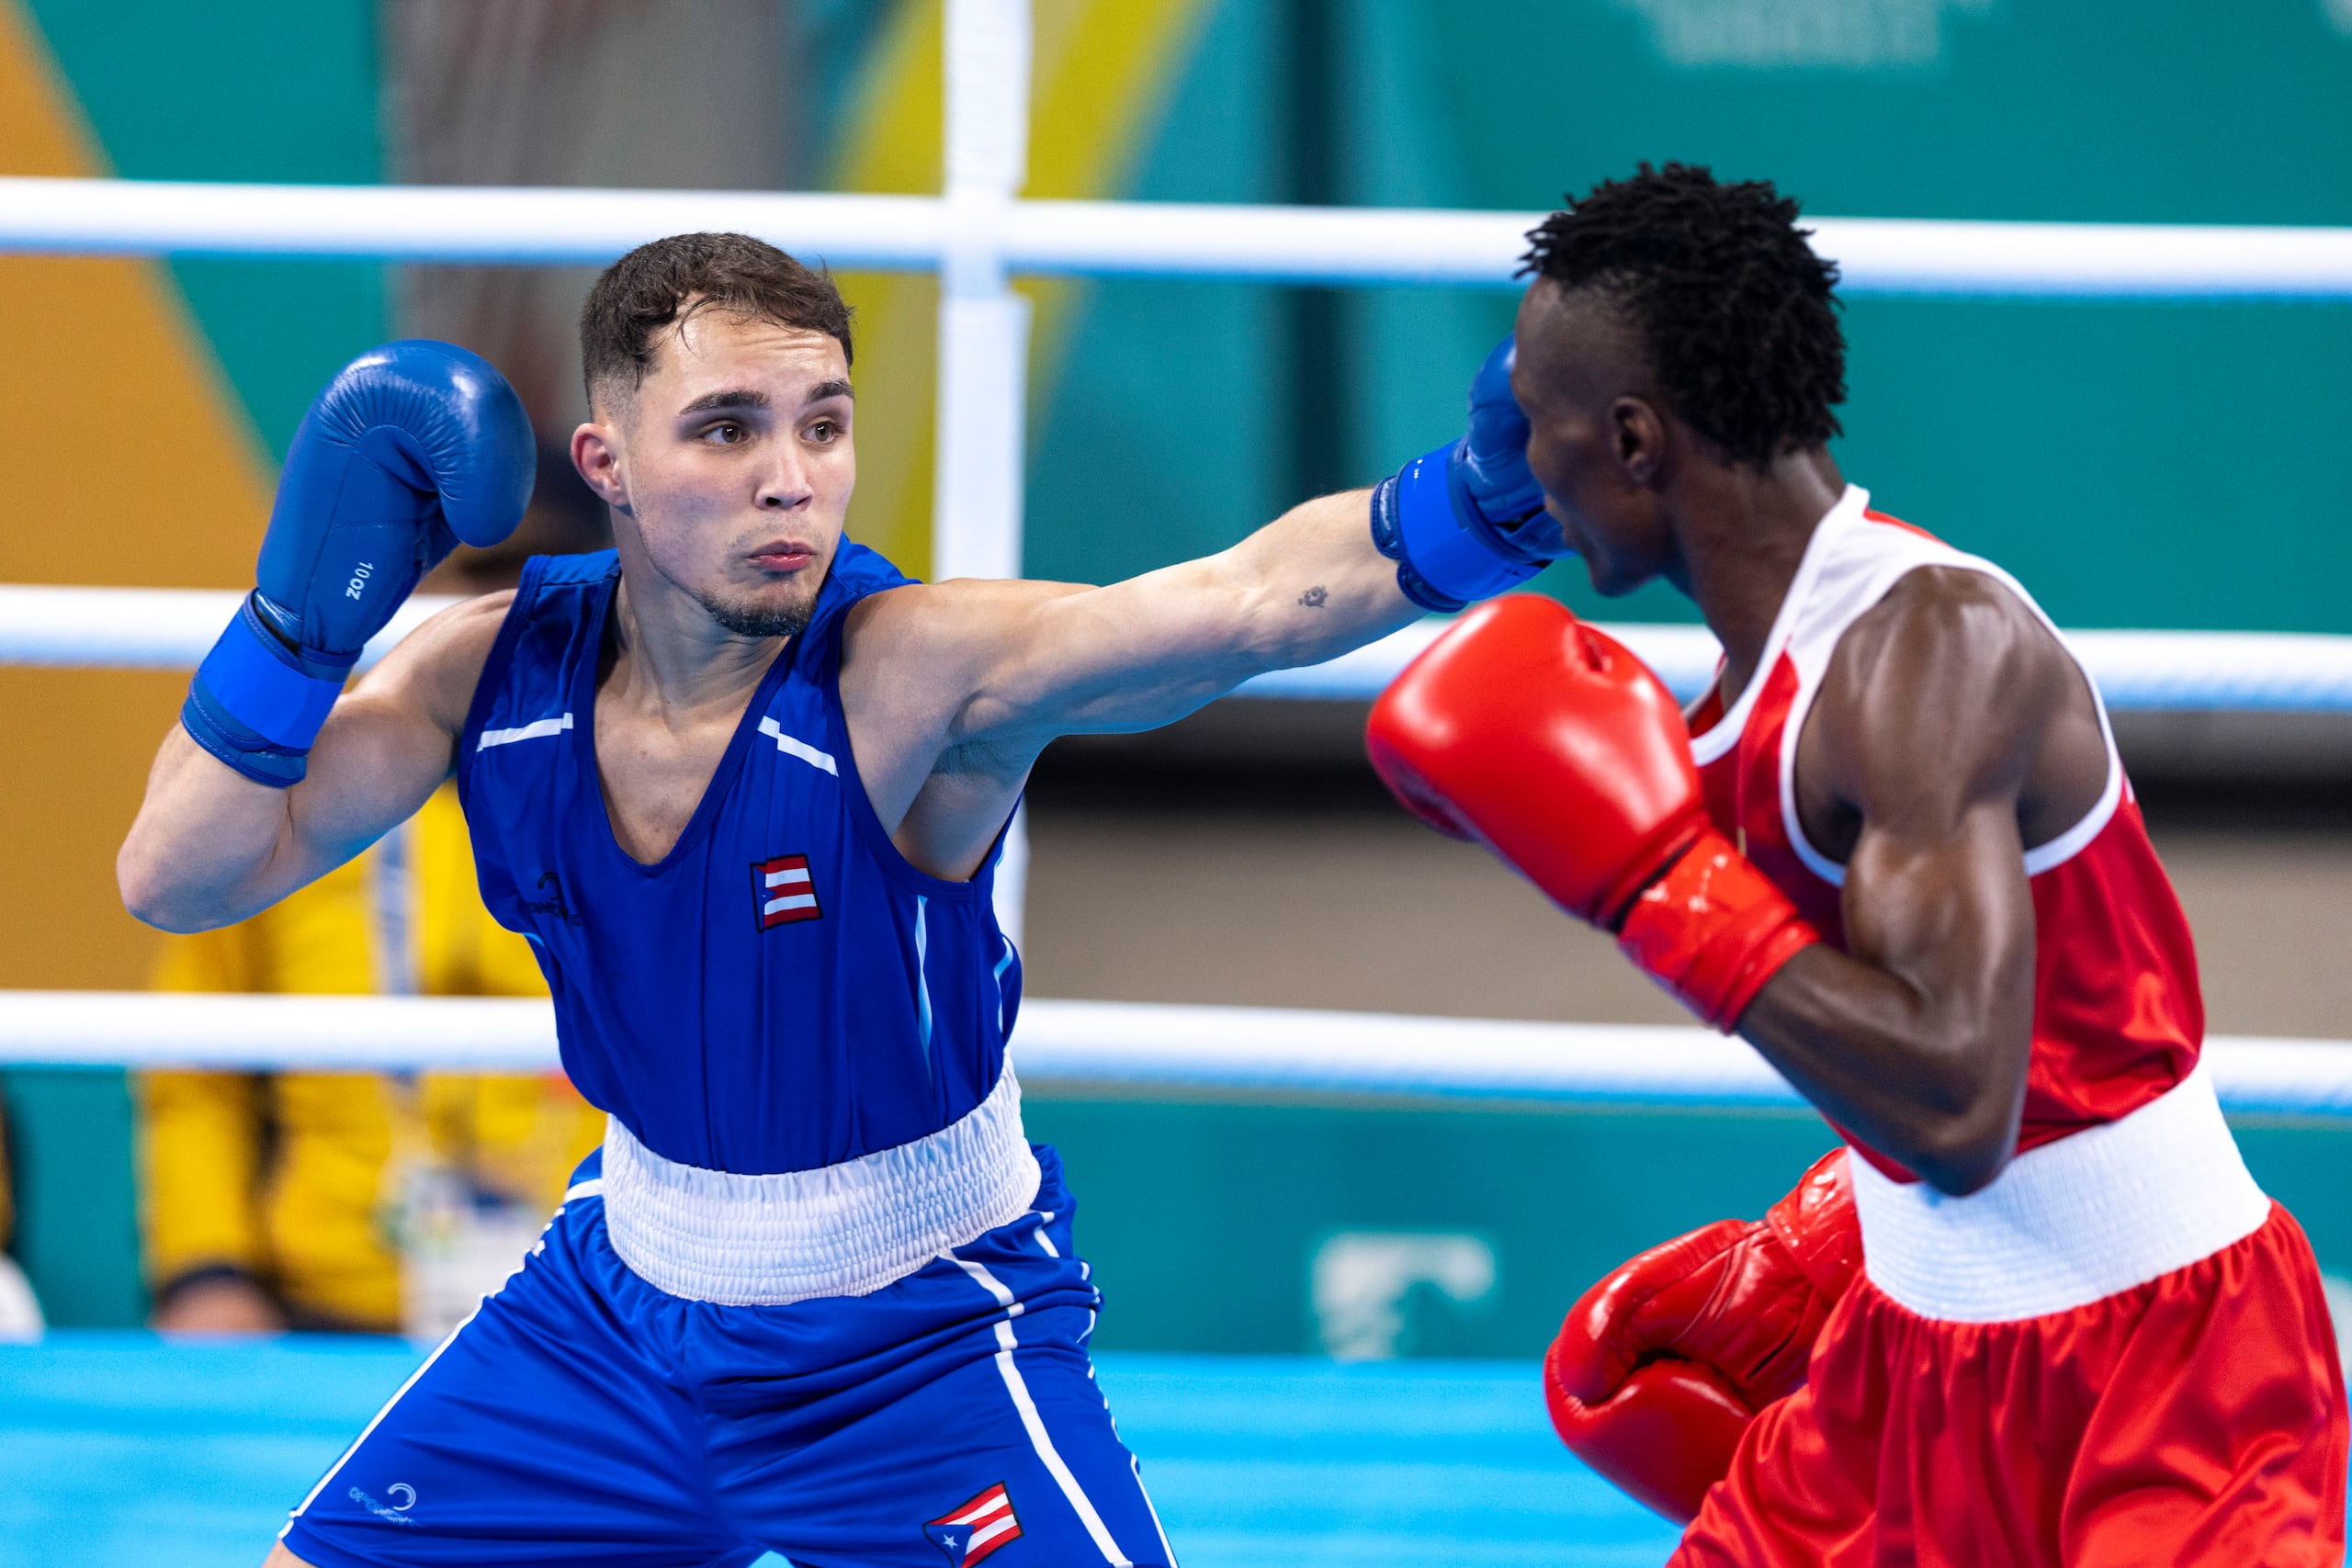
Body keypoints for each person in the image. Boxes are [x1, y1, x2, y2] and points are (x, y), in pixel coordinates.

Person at [115, 231, 1565, 1567]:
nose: (790, 475)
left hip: (914, 1337)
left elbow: (1235, 603)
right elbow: (177, 877)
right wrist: (297, 624)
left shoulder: (909, 674)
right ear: (604, 459)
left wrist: (1474, 508)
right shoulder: (483, 677)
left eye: (824, 421)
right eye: (728, 427)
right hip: (616, 1312)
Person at [1365, 164, 2346, 1565]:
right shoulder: (1733, 685)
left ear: (1637, 439)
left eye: (1542, 425)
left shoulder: (1928, 650)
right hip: (1910, 1365)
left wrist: (1655, 885)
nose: (1524, 462)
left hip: (2168, 1383)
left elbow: (1958, 1104)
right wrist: (1838, 1219)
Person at [142, 457, 611, 1340]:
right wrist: (210, 1274)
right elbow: (192, 1070)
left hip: (592, 1316)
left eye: (538, 592)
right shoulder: (297, 796)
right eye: (473, 587)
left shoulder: (651, 796)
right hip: (320, 1313)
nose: (498, 628)